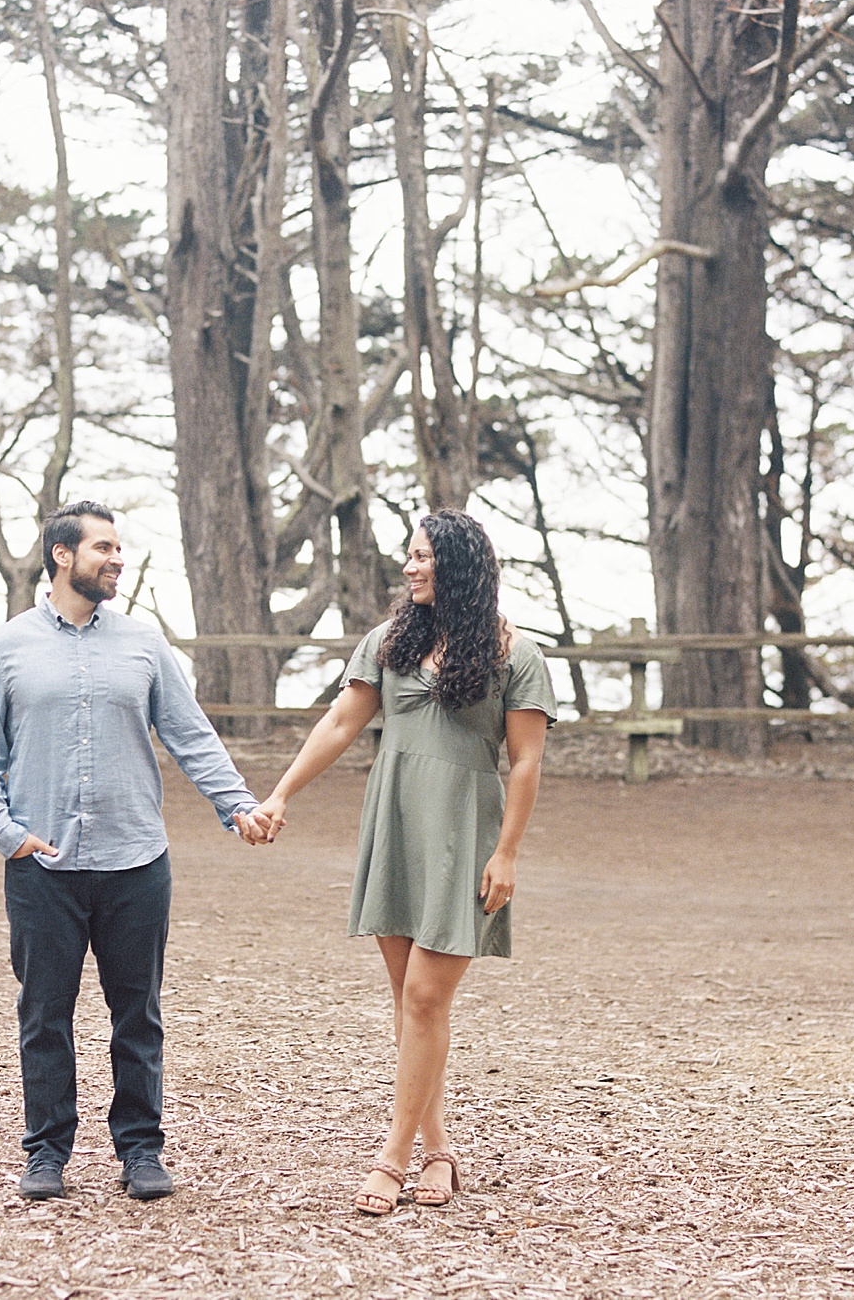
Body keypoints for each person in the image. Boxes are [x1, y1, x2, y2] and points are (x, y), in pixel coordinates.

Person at [0, 501, 273, 1202]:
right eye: (104, 546)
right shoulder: (2, 648)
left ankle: (140, 1151)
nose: (118, 558)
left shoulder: (143, 643)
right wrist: (7, 835)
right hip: (42, 868)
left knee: (139, 1014)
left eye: (119, 547)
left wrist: (238, 804)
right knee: (45, 1016)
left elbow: (190, 734)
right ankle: (46, 1153)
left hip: (136, 862)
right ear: (62, 555)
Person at [253, 509, 556, 1214]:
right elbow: (339, 723)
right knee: (411, 1004)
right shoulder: (388, 641)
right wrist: (282, 792)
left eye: (423, 557)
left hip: (465, 837)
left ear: (459, 565)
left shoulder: (517, 653)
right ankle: (440, 1150)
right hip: (394, 827)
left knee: (424, 998)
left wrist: (507, 852)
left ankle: (393, 1155)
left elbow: (528, 761)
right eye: (409, 557)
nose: (411, 568)